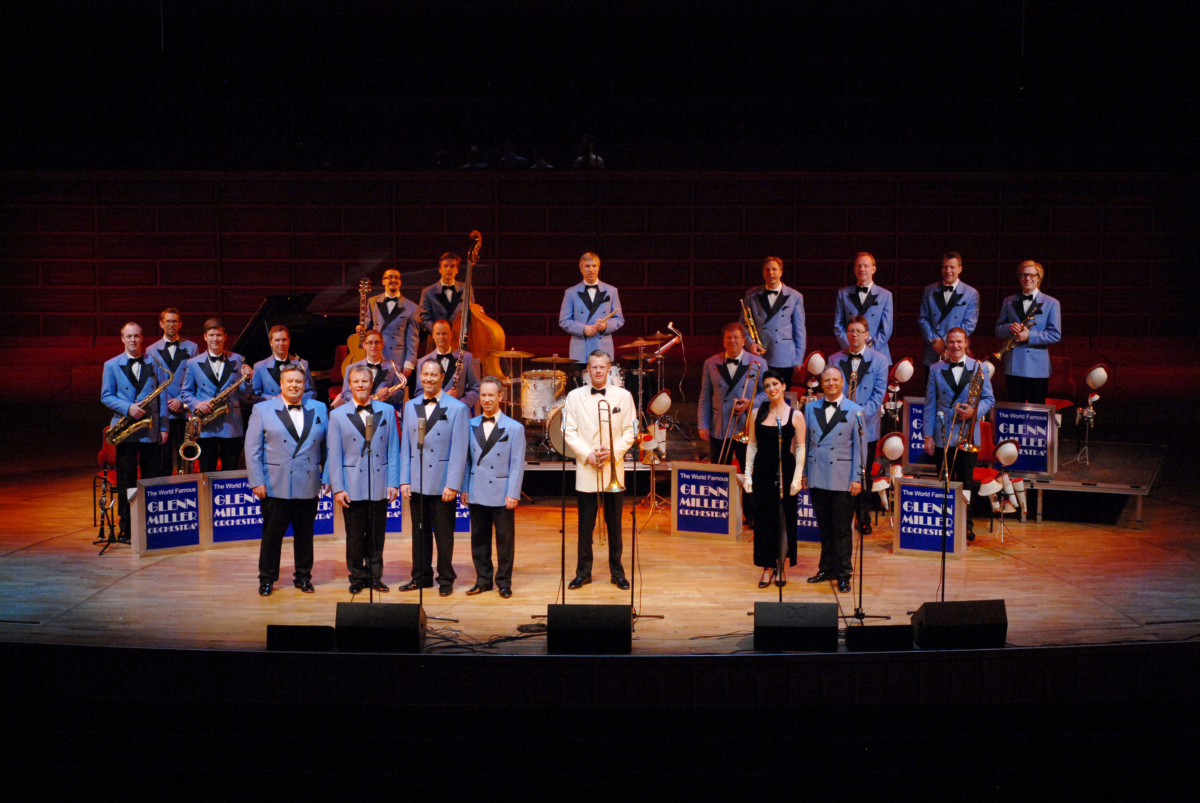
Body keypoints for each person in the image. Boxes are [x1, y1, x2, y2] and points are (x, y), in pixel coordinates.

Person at [244, 365, 329, 597]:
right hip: (274, 484)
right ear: (281, 384)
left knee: (305, 535)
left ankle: (303, 577)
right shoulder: (262, 409)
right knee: (272, 536)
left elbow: (327, 447)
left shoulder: (319, 407)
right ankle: (267, 579)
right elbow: (252, 450)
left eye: (298, 382)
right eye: (289, 381)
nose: (294, 385)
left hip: (307, 483)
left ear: (305, 385)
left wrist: (328, 476)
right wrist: (256, 481)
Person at [563, 350, 637, 590]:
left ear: (609, 368)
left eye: (602, 367)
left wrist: (613, 453)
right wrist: (589, 455)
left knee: (615, 525)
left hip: (613, 467)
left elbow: (630, 430)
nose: (597, 371)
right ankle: (583, 572)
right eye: (593, 367)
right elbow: (568, 431)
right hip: (587, 466)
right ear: (588, 369)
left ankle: (617, 572)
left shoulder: (624, 396)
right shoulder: (574, 396)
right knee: (585, 524)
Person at [327, 365, 402, 594]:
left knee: (377, 534)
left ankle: (374, 575)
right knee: (355, 535)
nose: (360, 385)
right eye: (356, 381)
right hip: (351, 484)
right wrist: (338, 488)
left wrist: (393, 482)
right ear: (349, 385)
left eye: (364, 381)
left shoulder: (387, 411)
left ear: (372, 385)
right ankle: (357, 577)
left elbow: (392, 449)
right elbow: (334, 454)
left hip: (379, 483)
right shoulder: (337, 414)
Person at [398, 360, 470, 596]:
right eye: (425, 374)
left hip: (442, 483)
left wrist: (453, 484)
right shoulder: (410, 406)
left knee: (443, 535)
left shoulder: (457, 408)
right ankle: (420, 577)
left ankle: (446, 579)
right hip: (417, 480)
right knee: (419, 533)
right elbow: (406, 446)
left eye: (433, 375)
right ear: (420, 376)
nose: (428, 379)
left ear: (442, 378)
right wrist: (404, 479)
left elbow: (459, 449)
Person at [924, 328, 995, 541]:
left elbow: (989, 399)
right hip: (943, 433)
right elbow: (930, 404)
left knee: (965, 483)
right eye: (951, 342)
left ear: (966, 343)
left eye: (959, 342)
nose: (955, 346)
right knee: (944, 481)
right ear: (946, 344)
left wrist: (974, 412)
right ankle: (943, 524)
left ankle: (965, 525)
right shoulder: (935, 369)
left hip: (968, 433)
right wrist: (928, 435)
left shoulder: (978, 367)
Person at [100, 322, 168, 543]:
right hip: (125, 429)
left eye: (136, 336)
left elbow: (162, 397)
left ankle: (150, 526)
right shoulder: (110, 365)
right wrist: (127, 408)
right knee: (126, 480)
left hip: (149, 428)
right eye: (128, 336)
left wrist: (164, 426)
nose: (133, 340)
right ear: (122, 339)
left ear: (142, 338)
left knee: (150, 479)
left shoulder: (155, 362)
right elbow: (106, 396)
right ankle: (126, 528)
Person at [802, 367, 866, 593]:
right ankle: (826, 568)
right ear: (821, 383)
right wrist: (804, 473)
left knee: (841, 529)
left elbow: (860, 447)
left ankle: (843, 573)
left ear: (842, 383)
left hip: (842, 477)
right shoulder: (810, 408)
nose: (831, 383)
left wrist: (857, 477)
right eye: (827, 380)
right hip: (817, 474)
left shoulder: (855, 410)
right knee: (824, 527)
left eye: (835, 380)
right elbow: (805, 444)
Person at [462, 377, 526, 598]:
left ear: (500, 397)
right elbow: (466, 460)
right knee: (479, 537)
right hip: (477, 488)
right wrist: (464, 487)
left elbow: (517, 463)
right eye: (483, 395)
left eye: (491, 395)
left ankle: (504, 581)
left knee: (505, 539)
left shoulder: (514, 428)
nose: (486, 400)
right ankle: (483, 580)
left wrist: (513, 492)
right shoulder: (469, 425)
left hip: (502, 490)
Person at [741, 369, 806, 588]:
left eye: (775, 384)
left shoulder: (795, 415)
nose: (771, 389)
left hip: (785, 470)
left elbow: (801, 448)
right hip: (762, 470)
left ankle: (780, 567)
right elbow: (751, 444)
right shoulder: (756, 413)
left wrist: (797, 478)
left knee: (784, 520)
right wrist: (748, 474)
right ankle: (766, 568)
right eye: (767, 386)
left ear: (784, 386)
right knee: (764, 521)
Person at [699, 322, 768, 527]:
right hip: (720, 426)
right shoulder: (711, 362)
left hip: (747, 426)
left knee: (749, 471)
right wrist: (703, 424)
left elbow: (768, 393)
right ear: (723, 341)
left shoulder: (759, 363)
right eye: (729, 338)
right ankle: (720, 511)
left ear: (744, 340)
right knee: (719, 471)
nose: (733, 341)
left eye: (737, 337)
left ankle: (752, 514)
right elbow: (705, 396)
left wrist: (751, 403)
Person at [828, 316, 888, 535]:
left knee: (863, 474)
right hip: (840, 425)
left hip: (867, 426)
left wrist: (859, 416)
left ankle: (863, 517)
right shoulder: (834, 358)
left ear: (867, 335)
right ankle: (842, 516)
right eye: (850, 331)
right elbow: (831, 390)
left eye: (858, 331)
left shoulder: (880, 360)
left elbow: (878, 394)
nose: (854, 335)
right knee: (842, 471)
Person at [179, 318, 254, 473]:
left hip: (231, 422)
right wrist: (198, 404)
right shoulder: (193, 363)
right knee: (207, 470)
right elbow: (186, 392)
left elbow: (244, 394)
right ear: (205, 337)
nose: (215, 339)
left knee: (231, 470)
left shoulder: (238, 359)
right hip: (206, 424)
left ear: (225, 337)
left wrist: (248, 380)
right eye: (212, 335)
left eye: (219, 335)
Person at [994, 260, 1062, 404]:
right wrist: (1009, 328)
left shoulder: (1051, 303)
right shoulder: (1009, 301)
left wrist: (1029, 336)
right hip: (1013, 365)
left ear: (1039, 277)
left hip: (1037, 367)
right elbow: (998, 329)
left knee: (1036, 413)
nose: (1027, 279)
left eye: (1032, 275)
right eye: (1024, 275)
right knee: (1014, 411)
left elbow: (1055, 334)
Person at [558, 252, 624, 385]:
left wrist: (606, 326)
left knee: (603, 390)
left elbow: (619, 319)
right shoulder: (571, 292)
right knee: (580, 391)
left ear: (599, 267)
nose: (591, 270)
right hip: (581, 349)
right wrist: (583, 329)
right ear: (581, 268)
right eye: (587, 266)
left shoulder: (611, 291)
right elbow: (564, 320)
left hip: (603, 348)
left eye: (594, 266)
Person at [145, 307, 197, 475]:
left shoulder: (192, 347)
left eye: (175, 321)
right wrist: (167, 401)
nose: (171, 324)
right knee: (163, 456)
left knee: (186, 456)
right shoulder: (151, 350)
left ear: (180, 324)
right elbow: (152, 382)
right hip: (163, 410)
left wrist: (181, 401)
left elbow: (194, 378)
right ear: (161, 324)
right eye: (168, 321)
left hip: (185, 410)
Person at [743, 256, 806, 382]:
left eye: (774, 269)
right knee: (760, 398)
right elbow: (743, 324)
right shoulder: (751, 294)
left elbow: (800, 330)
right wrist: (750, 344)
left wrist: (798, 360)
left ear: (781, 272)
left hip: (784, 357)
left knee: (781, 397)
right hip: (759, 354)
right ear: (763, 272)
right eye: (767, 270)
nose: (770, 273)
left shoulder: (795, 296)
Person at [918, 251, 980, 368]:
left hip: (957, 351)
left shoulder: (971, 293)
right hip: (933, 351)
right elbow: (923, 319)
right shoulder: (929, 290)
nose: (948, 271)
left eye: (952, 267)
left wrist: (947, 343)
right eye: (945, 267)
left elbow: (969, 324)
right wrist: (935, 342)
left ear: (959, 269)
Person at [833, 252, 894, 365]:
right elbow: (838, 325)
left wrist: (868, 350)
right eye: (859, 266)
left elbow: (886, 328)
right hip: (849, 354)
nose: (862, 269)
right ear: (854, 269)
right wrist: (852, 348)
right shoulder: (843, 294)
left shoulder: (885, 295)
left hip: (877, 354)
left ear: (873, 269)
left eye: (866, 266)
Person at [364, 268, 420, 385]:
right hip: (375, 354)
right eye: (389, 277)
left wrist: (409, 362)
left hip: (397, 357)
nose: (393, 280)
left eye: (396, 277)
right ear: (383, 281)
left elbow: (413, 338)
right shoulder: (372, 301)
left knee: (394, 394)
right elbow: (367, 328)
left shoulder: (412, 307)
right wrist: (360, 328)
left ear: (400, 282)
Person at [416, 319, 482, 411]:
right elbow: (419, 393)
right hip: (432, 414)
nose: (441, 337)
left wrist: (458, 405)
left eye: (444, 333)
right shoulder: (422, 361)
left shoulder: (467, 358)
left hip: (459, 413)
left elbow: (475, 388)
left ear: (451, 334)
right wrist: (442, 398)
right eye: (438, 334)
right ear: (433, 335)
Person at [334, 330, 405, 409]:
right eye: (370, 342)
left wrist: (388, 393)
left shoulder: (394, 368)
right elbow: (345, 394)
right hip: (358, 411)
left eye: (377, 342)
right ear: (364, 345)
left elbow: (400, 394)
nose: (373, 346)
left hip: (384, 411)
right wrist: (363, 399)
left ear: (382, 345)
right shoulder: (351, 368)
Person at [250, 325, 317, 403]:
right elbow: (254, 396)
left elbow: (311, 392)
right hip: (271, 411)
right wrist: (273, 399)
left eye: (284, 340)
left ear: (289, 341)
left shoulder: (303, 364)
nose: (281, 343)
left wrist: (295, 400)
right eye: (277, 340)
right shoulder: (259, 367)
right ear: (271, 343)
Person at [418, 253, 467, 335]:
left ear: (457, 270)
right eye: (445, 266)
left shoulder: (466, 289)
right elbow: (424, 319)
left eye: (452, 266)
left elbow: (471, 315)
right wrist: (438, 333)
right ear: (440, 270)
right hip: (436, 339)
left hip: (459, 338)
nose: (448, 269)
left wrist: (478, 311)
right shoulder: (427, 291)